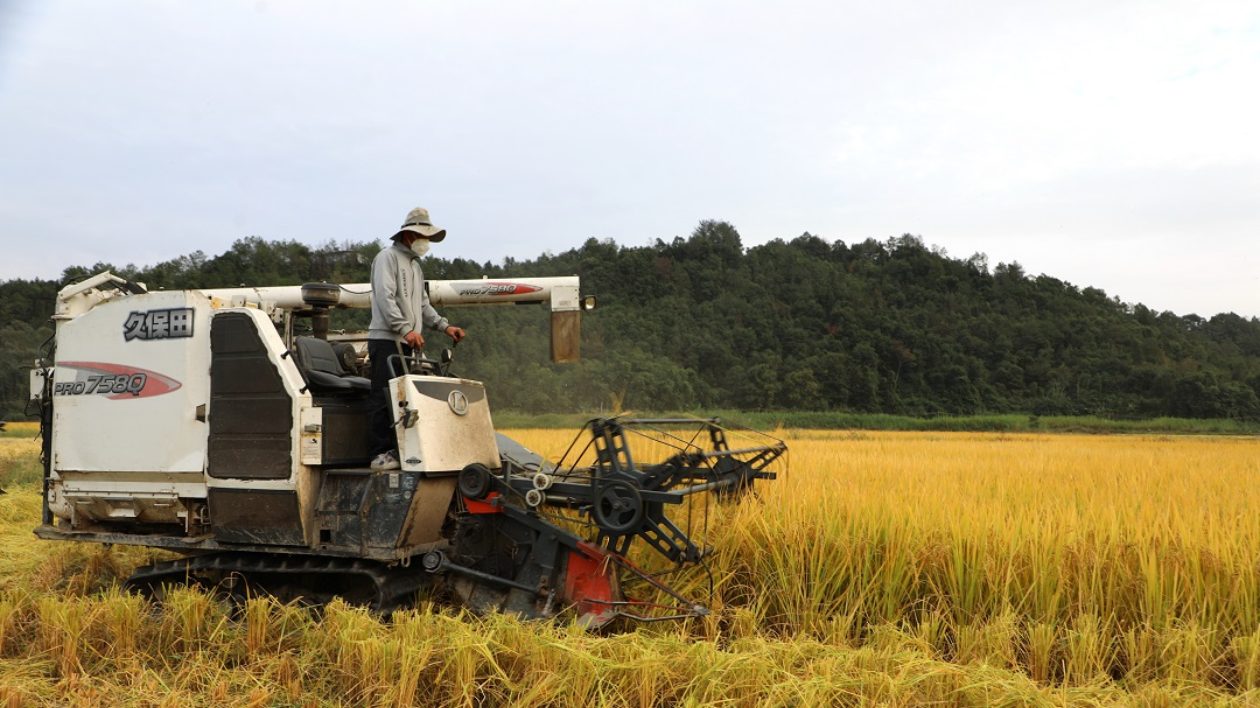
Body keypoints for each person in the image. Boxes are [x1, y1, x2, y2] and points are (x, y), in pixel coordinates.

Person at [367, 207, 466, 471]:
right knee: (383, 396)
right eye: (426, 236)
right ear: (410, 234)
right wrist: (405, 329)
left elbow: (423, 305)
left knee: (404, 399)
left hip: (408, 343)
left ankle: (401, 449)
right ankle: (379, 454)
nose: (428, 243)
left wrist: (444, 327)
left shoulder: (415, 266)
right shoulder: (386, 258)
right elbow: (385, 298)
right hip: (386, 339)